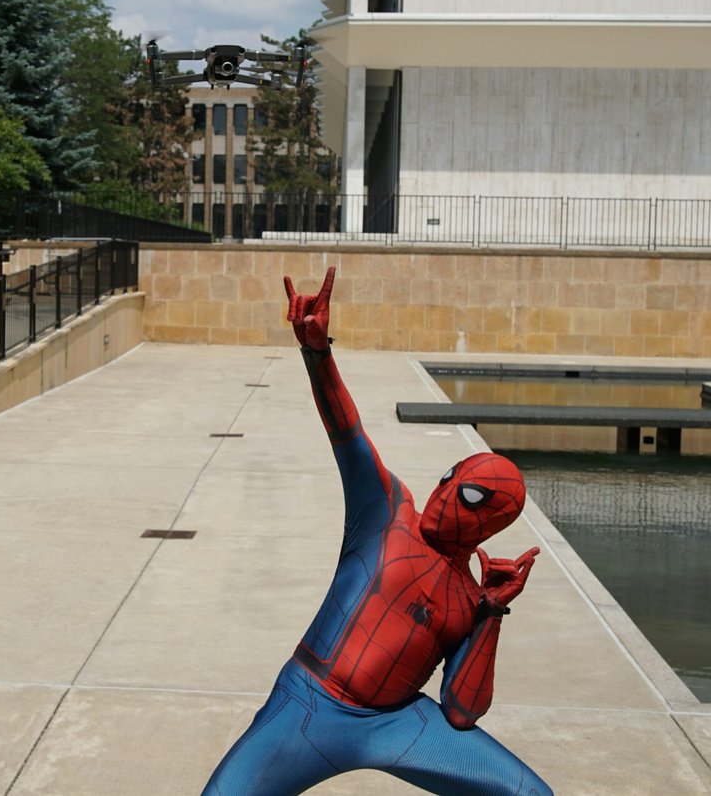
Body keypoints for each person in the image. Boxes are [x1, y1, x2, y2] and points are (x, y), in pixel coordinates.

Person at [203, 268, 551, 796]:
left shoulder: (466, 598)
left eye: (470, 497)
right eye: (450, 477)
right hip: (309, 702)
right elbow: (347, 432)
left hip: (395, 725)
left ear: (490, 524)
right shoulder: (387, 512)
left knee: (530, 795)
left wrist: (492, 612)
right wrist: (318, 353)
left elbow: (461, 711)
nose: (446, 493)